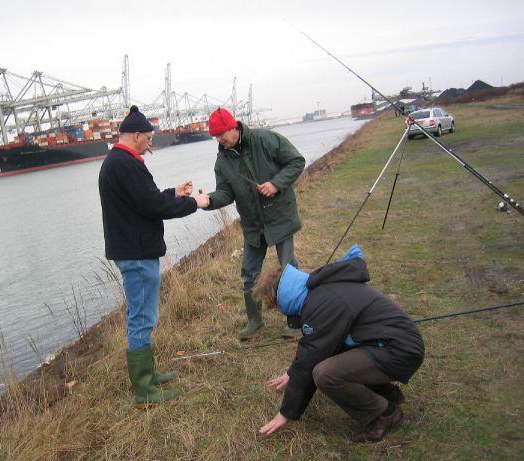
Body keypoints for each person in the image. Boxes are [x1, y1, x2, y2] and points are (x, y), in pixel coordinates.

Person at [253, 245, 425, 442]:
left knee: (325, 374)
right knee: (334, 356)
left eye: (273, 307)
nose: (277, 311)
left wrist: (286, 413)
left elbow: (311, 358)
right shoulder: (315, 292)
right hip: (392, 342)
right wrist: (292, 373)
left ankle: (385, 414)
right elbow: (315, 347)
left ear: (278, 299)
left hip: (400, 350)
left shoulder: (319, 304)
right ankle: (388, 394)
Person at [98, 105, 210, 408]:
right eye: (148, 138)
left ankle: (148, 375)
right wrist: (194, 203)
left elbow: (145, 200)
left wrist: (174, 192)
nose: (151, 144)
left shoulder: (117, 161)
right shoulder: (126, 164)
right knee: (142, 318)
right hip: (136, 254)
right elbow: (152, 207)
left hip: (132, 250)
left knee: (143, 316)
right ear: (136, 136)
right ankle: (144, 390)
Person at [203, 108, 306, 339]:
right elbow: (225, 193)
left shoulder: (265, 139)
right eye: (215, 137)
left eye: (221, 135)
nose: (218, 140)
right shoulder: (222, 161)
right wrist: (206, 200)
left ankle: (296, 319)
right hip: (252, 224)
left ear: (233, 127)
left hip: (280, 215)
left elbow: (296, 161)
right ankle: (255, 321)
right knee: (249, 272)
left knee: (288, 267)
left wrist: (276, 184)